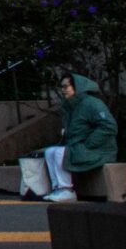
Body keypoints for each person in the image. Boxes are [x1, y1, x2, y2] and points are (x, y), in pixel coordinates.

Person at [42, 72, 118, 202]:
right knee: (50, 152)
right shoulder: (71, 106)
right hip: (82, 147)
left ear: (77, 87)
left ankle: (66, 190)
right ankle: (59, 188)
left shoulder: (92, 104)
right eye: (62, 87)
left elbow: (109, 126)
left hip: (99, 150)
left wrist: (89, 144)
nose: (63, 90)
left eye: (66, 86)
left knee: (60, 152)